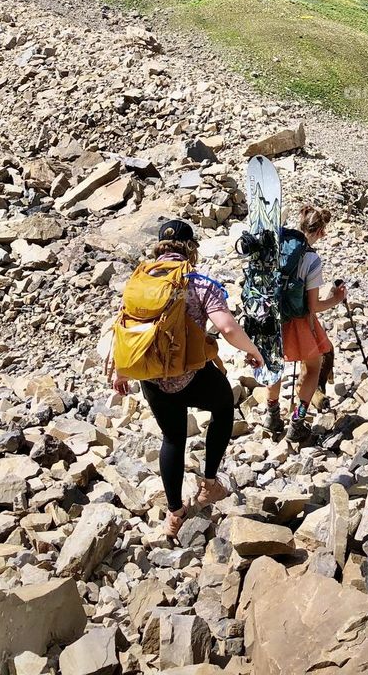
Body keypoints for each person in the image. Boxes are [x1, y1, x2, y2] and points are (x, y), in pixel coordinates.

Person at [108, 219, 265, 539]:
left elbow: (128, 327)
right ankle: (209, 484)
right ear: (191, 248)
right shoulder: (199, 282)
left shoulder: (140, 280)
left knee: (172, 438)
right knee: (224, 405)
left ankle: (175, 513)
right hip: (190, 375)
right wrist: (253, 351)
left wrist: (122, 371)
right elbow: (227, 327)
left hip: (151, 375)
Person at [265, 204, 346, 443]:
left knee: (274, 365)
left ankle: (271, 415)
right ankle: (297, 422)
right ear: (320, 231)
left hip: (270, 317)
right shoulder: (311, 259)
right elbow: (313, 306)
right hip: (299, 322)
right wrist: (336, 299)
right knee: (313, 367)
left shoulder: (278, 246)